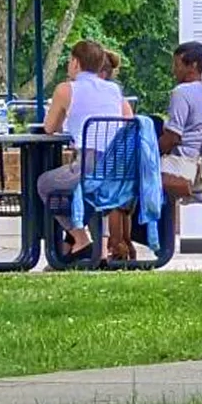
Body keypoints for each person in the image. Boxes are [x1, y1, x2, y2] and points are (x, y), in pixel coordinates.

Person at [36, 39, 131, 260]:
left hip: (89, 166)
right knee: (77, 190)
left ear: (76, 63)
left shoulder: (65, 89)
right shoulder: (114, 90)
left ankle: (79, 238)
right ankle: (70, 245)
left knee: (45, 184)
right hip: (116, 167)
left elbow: (50, 128)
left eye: (70, 60)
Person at [157, 42, 202, 198]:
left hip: (179, 165)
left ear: (193, 66)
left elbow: (172, 138)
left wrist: (149, 152)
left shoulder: (181, 92)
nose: (174, 71)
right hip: (195, 166)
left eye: (177, 65)